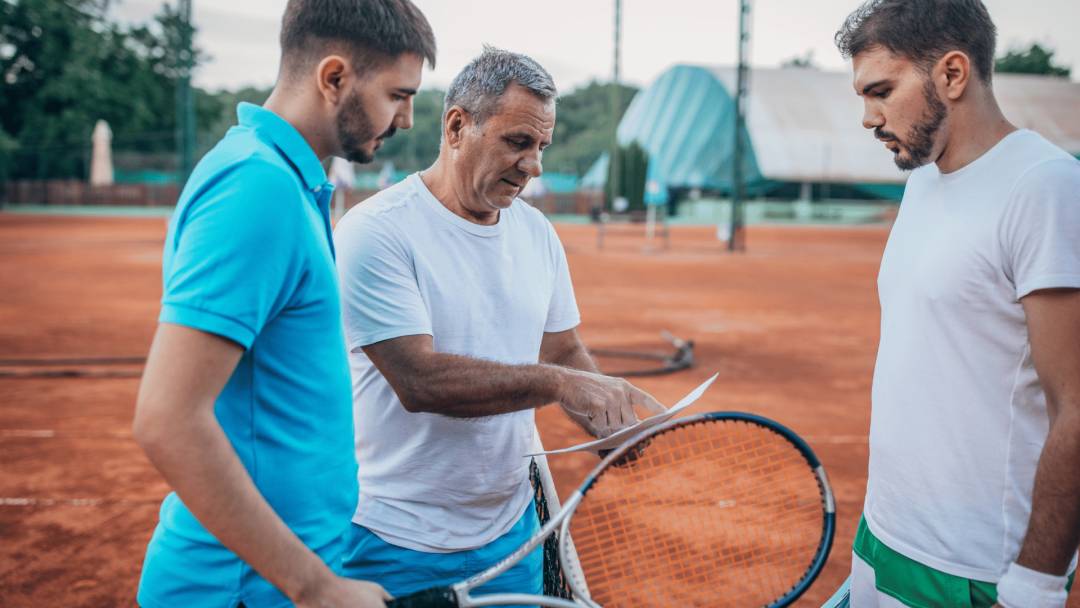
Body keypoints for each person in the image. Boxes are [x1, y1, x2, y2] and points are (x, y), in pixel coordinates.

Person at [333, 46, 665, 600]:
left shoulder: (536, 233)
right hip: (394, 539)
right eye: (517, 142)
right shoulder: (376, 232)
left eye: (541, 146)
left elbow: (561, 350)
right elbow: (419, 380)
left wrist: (607, 419)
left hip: (511, 536)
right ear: (457, 126)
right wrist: (561, 385)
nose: (533, 165)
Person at [131, 1, 435, 606]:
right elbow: (167, 418)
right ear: (334, 78)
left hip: (266, 579)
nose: (404, 119)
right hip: (241, 588)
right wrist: (315, 587)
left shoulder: (281, 178)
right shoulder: (258, 186)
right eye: (397, 95)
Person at [834, 1, 1080, 606]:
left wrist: (1036, 585)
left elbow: (1076, 404)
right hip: (882, 534)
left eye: (882, 91)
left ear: (952, 73)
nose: (868, 117)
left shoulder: (1044, 187)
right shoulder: (923, 180)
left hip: (971, 569)